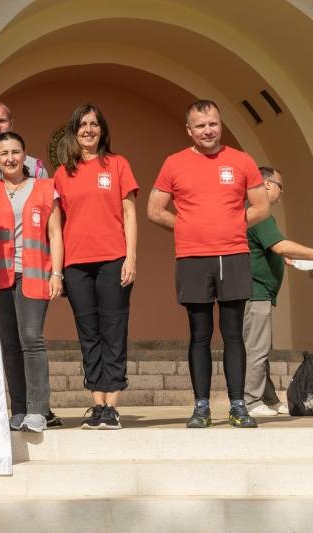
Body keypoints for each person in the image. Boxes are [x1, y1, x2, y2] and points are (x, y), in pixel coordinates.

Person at [147, 99, 269, 429]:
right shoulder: (174, 163)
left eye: (212, 123)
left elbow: (261, 206)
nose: (207, 130)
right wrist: (186, 226)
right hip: (192, 257)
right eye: (200, 125)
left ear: (220, 124)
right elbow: (154, 209)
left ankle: (238, 405)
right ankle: (201, 406)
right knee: (199, 334)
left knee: (233, 334)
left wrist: (234, 224)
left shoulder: (241, 160)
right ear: (189, 130)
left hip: (233, 255)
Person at [53, 104, 138, 430]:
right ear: (74, 132)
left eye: (94, 124)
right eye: (82, 125)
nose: (88, 130)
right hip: (76, 265)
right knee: (88, 333)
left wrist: (131, 257)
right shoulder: (63, 174)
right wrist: (58, 270)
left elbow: (129, 213)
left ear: (102, 130)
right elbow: (56, 226)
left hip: (113, 259)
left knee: (113, 331)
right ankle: (98, 404)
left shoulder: (118, 164)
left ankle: (112, 406)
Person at [0, 131, 63, 432]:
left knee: (32, 338)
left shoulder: (45, 187)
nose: (10, 158)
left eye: (15, 152)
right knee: (9, 345)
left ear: (25, 155)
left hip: (35, 273)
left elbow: (55, 233)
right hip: (0, 277)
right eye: (3, 153)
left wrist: (57, 274)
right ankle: (18, 409)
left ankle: (38, 409)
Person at [243, 167, 313, 416]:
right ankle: (251, 402)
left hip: (260, 292)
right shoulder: (260, 214)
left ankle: (269, 398)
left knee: (260, 348)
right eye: (280, 187)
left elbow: (268, 248)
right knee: (256, 349)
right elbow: (281, 246)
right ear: (267, 184)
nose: (281, 193)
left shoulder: (256, 213)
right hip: (255, 291)